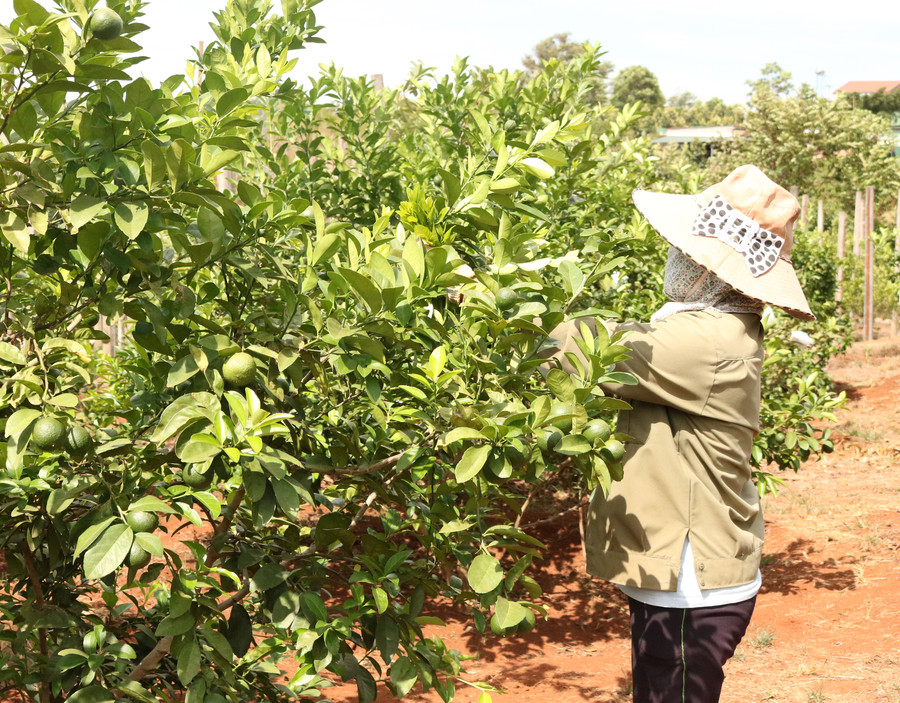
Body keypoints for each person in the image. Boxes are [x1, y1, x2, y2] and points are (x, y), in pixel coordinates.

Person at [541, 164, 814, 703]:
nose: (675, 260)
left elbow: (574, 347)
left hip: (693, 580)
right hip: (680, 572)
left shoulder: (707, 341)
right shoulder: (709, 329)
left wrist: (500, 293)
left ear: (709, 270)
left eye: (685, 253)